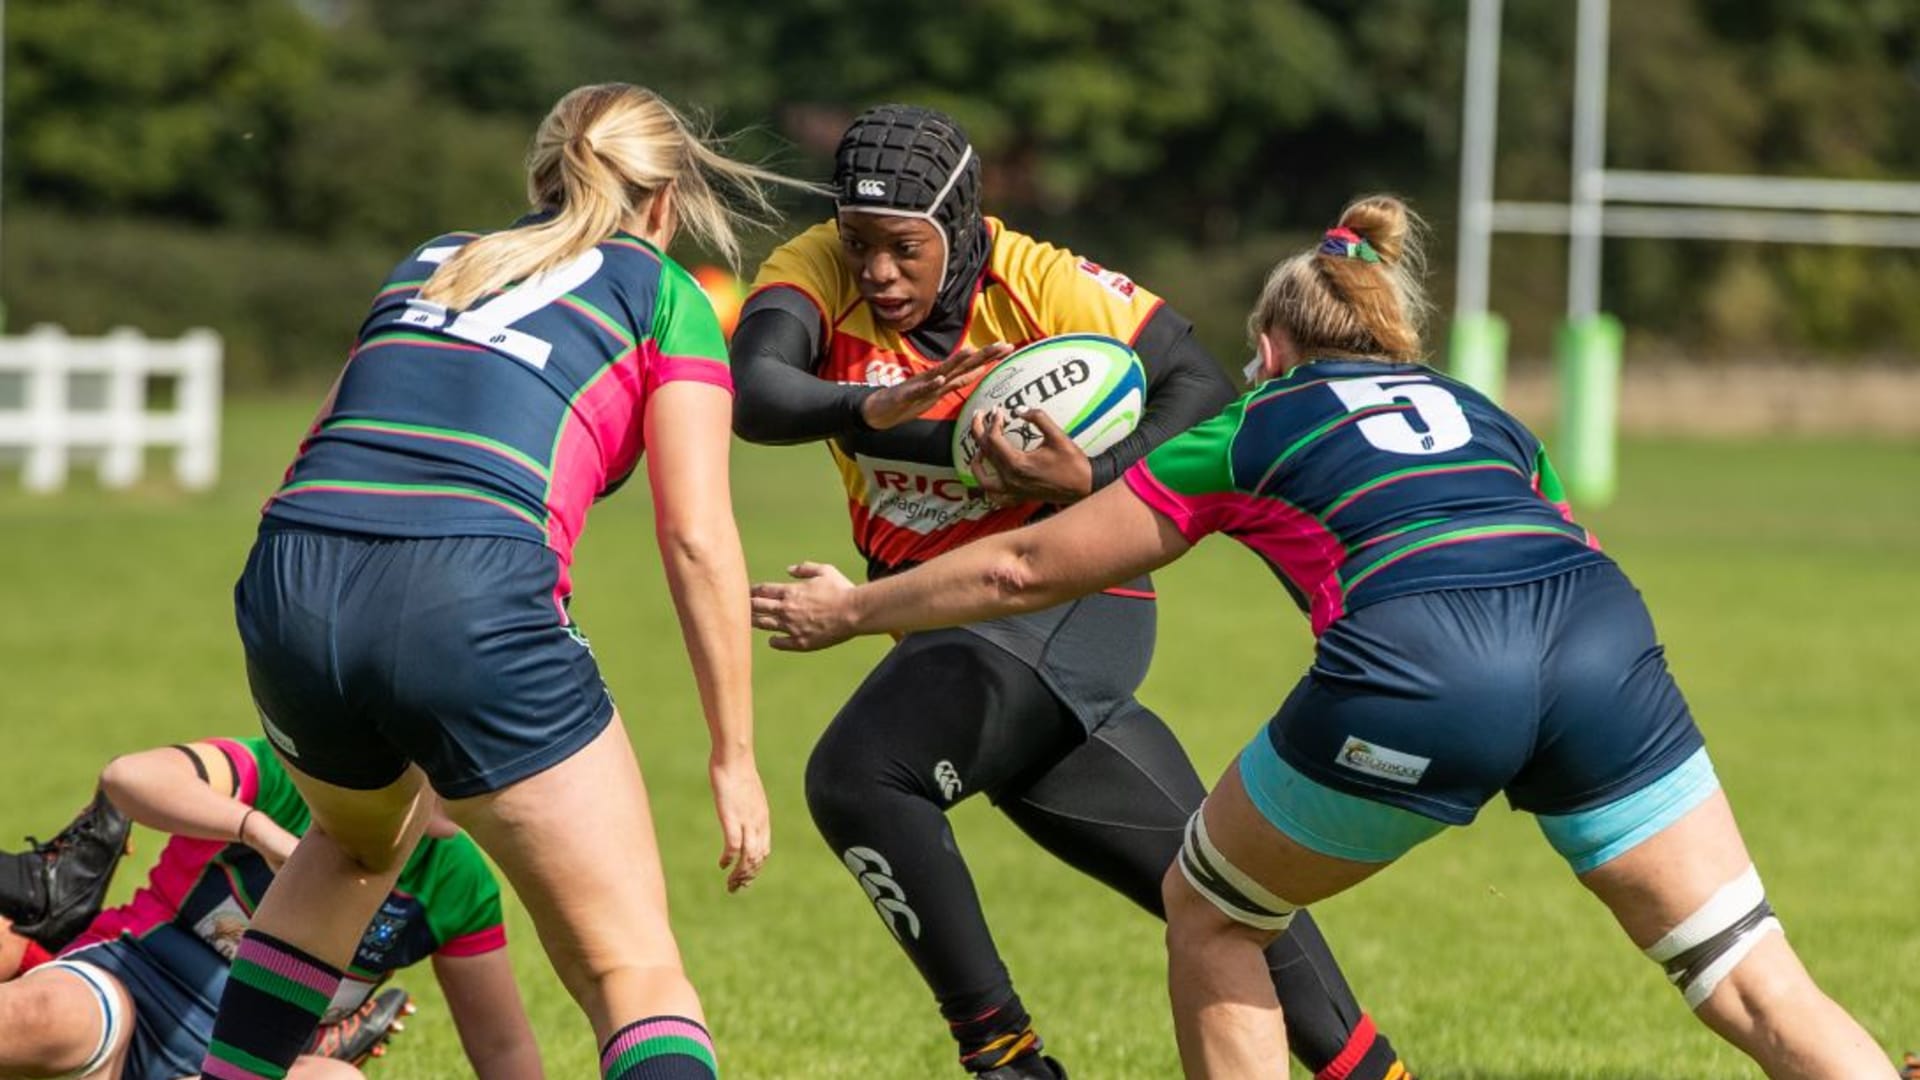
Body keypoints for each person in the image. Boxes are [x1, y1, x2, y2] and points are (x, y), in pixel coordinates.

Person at [749, 193, 1900, 1079]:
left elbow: (1023, 564)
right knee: (1745, 969)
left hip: (1424, 662)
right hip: (1603, 643)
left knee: (1209, 915)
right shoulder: (1482, 410)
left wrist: (853, 609)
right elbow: (1558, 529)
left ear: (1273, 343)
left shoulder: (1255, 421)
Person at [730, 103, 1410, 1080]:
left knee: (860, 779)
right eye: (859, 242)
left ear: (960, 228)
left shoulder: (1042, 281)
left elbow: (1200, 387)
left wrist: (1093, 480)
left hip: (1067, 599)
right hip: (955, 628)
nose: (876, 269)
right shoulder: (815, 269)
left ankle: (1007, 1061)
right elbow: (755, 391)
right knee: (1207, 885)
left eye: (902, 247)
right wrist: (867, 405)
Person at [198, 82, 811, 1080]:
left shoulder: (432, 260)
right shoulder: (665, 295)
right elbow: (696, 536)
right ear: (665, 201)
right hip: (467, 590)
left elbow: (314, 449)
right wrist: (734, 754)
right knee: (633, 971)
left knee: (359, 849)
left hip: (290, 576)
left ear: (539, 176)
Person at [0, 736, 533, 1079]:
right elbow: (128, 777)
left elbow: (502, 1045)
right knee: (52, 1016)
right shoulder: (290, 778)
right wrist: (259, 832)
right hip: (128, 982)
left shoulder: (460, 882)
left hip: (248, 1062)